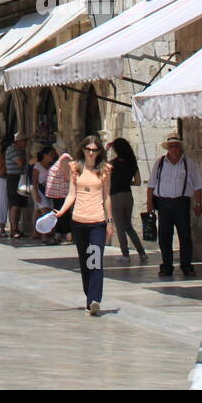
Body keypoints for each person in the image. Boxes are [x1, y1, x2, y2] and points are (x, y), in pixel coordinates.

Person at [54, 135, 114, 315]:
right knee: (84, 261)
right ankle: (90, 295)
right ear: (83, 150)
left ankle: (95, 299)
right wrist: (62, 211)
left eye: (95, 150)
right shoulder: (75, 168)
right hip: (79, 221)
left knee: (95, 260)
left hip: (97, 222)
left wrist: (110, 222)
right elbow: (72, 194)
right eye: (88, 150)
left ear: (99, 152)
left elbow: (106, 196)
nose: (91, 153)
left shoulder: (104, 169)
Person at [147, 133, 202, 279]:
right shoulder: (160, 163)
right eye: (171, 146)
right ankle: (166, 266)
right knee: (164, 236)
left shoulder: (188, 163)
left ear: (180, 148)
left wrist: (198, 203)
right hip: (164, 203)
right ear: (168, 148)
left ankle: (186, 266)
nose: (174, 149)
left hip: (181, 203)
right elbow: (151, 185)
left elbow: (198, 185)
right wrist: (149, 204)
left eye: (176, 146)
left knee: (185, 235)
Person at [108, 137, 147, 265]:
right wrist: (126, 182)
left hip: (116, 196)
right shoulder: (132, 163)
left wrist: (106, 149)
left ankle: (125, 255)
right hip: (128, 195)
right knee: (128, 226)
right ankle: (141, 252)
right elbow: (138, 182)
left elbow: (101, 167)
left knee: (120, 227)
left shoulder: (113, 164)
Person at [46, 141, 74, 244]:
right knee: (58, 214)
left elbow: (67, 175)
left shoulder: (64, 158)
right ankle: (58, 235)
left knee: (63, 214)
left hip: (62, 192)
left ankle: (68, 236)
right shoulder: (62, 158)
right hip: (57, 193)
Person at [5, 131, 29, 238]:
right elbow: (20, 162)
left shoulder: (20, 150)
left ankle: (17, 228)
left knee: (19, 205)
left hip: (21, 178)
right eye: (24, 141)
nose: (26, 143)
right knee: (14, 204)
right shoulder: (12, 149)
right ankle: (13, 229)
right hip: (14, 178)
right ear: (19, 141)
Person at [31, 146, 58, 243]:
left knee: (38, 212)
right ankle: (44, 236)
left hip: (47, 192)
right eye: (51, 155)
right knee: (45, 213)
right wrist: (37, 194)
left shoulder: (52, 166)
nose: (52, 157)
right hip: (38, 191)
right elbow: (34, 181)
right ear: (45, 155)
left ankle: (36, 232)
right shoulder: (37, 166)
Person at [0, 140, 9, 235]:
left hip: (11, 180)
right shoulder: (1, 158)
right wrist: (7, 162)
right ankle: (2, 228)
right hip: (3, 180)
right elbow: (0, 173)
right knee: (3, 203)